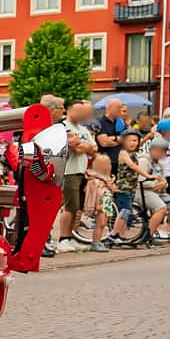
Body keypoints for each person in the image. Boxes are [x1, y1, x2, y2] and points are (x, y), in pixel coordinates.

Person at [57, 100, 96, 251]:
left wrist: (83, 146)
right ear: (70, 110)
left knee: (76, 207)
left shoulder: (83, 129)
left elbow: (94, 148)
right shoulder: (63, 126)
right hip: (69, 171)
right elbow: (74, 147)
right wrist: (84, 146)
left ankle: (69, 236)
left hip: (81, 170)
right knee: (69, 206)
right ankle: (62, 239)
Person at [82, 154, 116, 252]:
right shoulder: (94, 180)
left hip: (106, 202)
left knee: (103, 224)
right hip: (100, 203)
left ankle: (98, 241)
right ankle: (95, 242)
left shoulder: (107, 179)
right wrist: (97, 204)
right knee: (100, 223)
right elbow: (93, 194)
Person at [92, 98, 128, 167]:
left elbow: (127, 139)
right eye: (119, 107)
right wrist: (118, 139)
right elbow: (104, 143)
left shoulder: (121, 123)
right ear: (110, 108)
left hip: (121, 160)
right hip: (107, 161)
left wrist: (113, 139)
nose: (121, 110)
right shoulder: (100, 123)